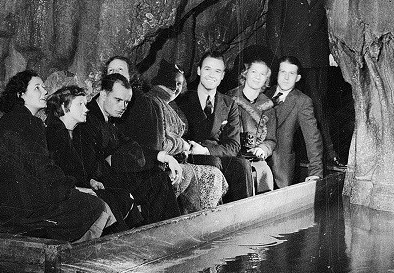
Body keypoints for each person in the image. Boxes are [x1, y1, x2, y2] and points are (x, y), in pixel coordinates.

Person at [0, 71, 113, 242]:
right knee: (96, 206)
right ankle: (71, 254)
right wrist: (73, 188)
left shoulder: (0, 124)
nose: (45, 92)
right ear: (21, 95)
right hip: (29, 209)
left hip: (6, 205)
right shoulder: (32, 123)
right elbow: (42, 167)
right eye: (37, 88)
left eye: (43, 87)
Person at [265, 0, 342, 168]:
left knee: (318, 108)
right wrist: (277, 63)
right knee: (285, 110)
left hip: (317, 60)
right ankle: (281, 158)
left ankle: (326, 157)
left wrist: (331, 54)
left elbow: (330, 25)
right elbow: (273, 28)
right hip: (290, 63)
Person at [119, 60, 227, 212]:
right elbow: (159, 143)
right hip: (157, 164)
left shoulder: (168, 103)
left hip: (171, 158)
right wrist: (183, 145)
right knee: (212, 173)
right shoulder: (153, 102)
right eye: (172, 83)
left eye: (179, 85)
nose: (176, 88)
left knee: (213, 166)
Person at [80, 73, 182, 223]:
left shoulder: (106, 118)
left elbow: (129, 144)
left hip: (110, 176)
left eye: (126, 102)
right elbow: (89, 165)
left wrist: (164, 156)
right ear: (103, 94)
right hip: (100, 182)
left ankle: (169, 230)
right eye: (118, 100)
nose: (123, 107)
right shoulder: (88, 119)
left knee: (158, 177)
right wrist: (111, 161)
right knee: (156, 181)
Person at [45, 84, 140, 227]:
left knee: (121, 197)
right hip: (61, 198)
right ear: (65, 107)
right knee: (112, 201)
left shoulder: (69, 132)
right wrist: (82, 187)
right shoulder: (56, 133)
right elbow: (56, 175)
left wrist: (89, 181)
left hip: (77, 189)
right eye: (80, 105)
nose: (86, 109)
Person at [173, 52, 252, 201]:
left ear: (222, 75)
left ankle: (243, 215)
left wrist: (206, 150)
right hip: (190, 156)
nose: (211, 75)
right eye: (207, 69)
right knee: (212, 163)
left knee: (242, 165)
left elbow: (234, 146)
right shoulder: (181, 100)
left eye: (217, 71)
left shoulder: (229, 104)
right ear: (199, 71)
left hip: (214, 154)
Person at [269, 55, 323, 188]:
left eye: (291, 73)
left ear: (297, 78)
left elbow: (313, 138)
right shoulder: (263, 93)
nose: (286, 78)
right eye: (283, 72)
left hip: (280, 170)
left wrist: (316, 172)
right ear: (277, 74)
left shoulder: (302, 101)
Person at [227, 55, 278, 194]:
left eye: (262, 74)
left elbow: (271, 140)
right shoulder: (229, 99)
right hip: (231, 156)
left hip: (254, 157)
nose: (257, 77)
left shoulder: (268, 107)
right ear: (245, 73)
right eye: (254, 72)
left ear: (266, 79)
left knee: (265, 173)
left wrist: (263, 148)